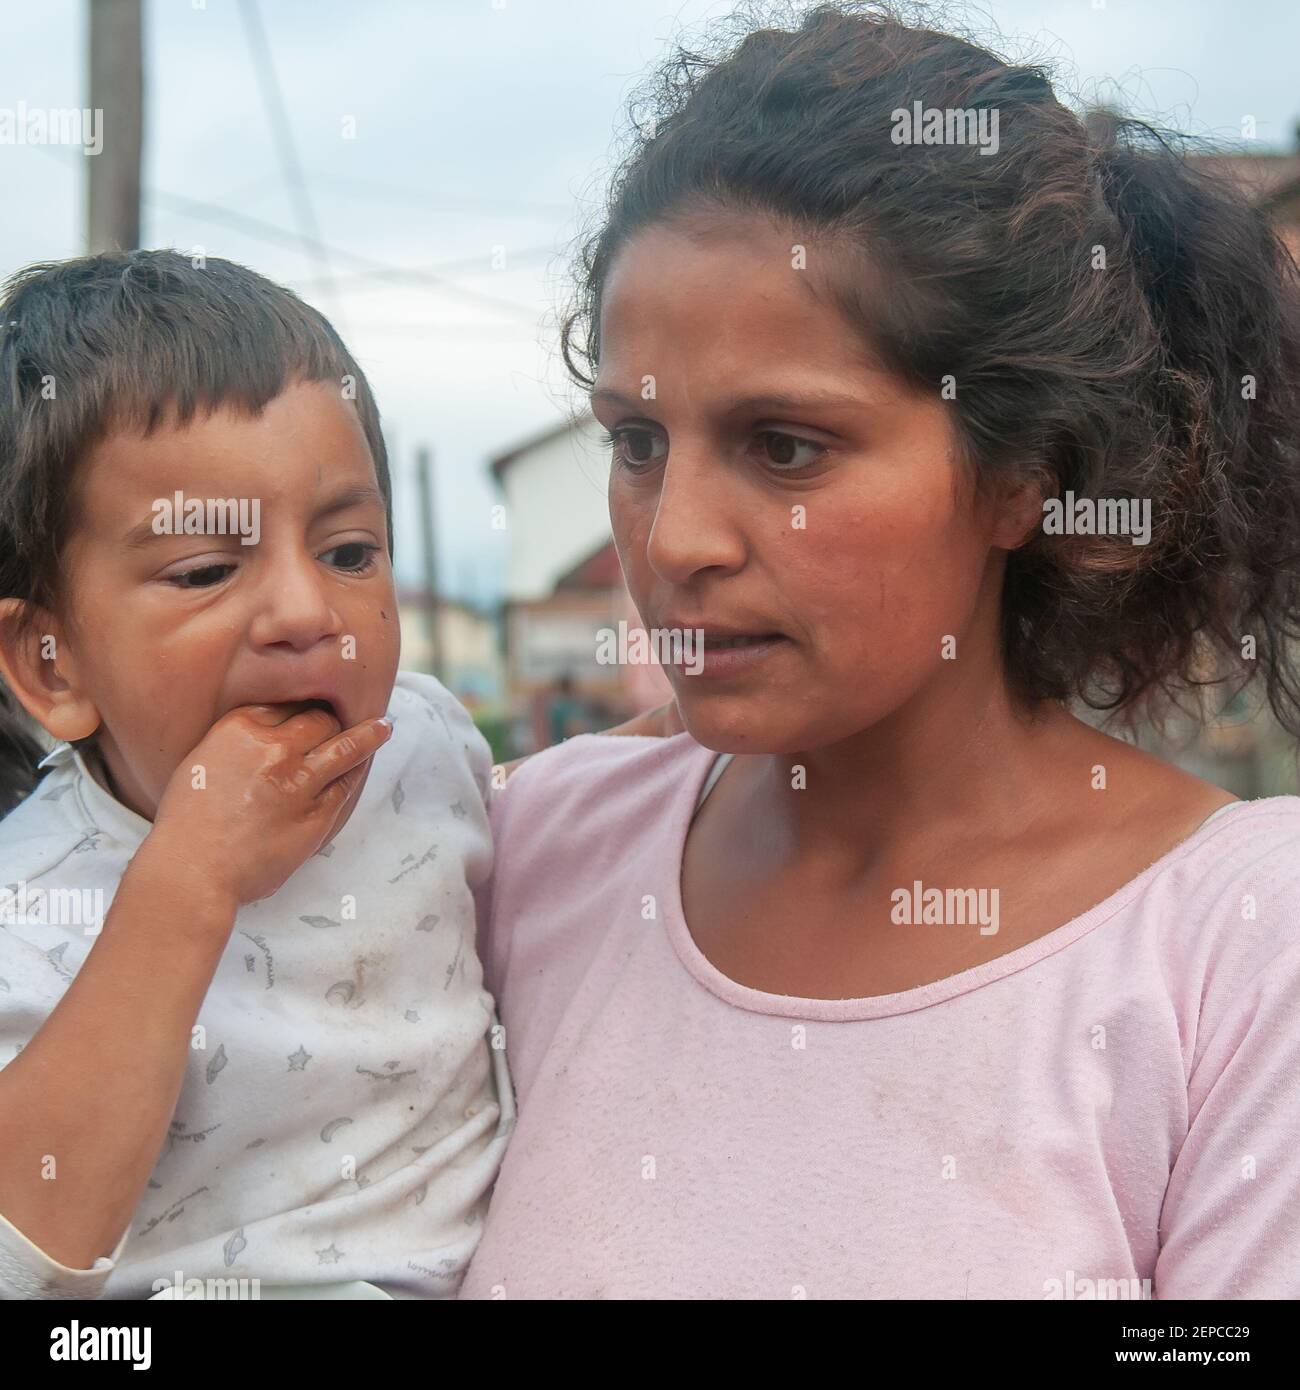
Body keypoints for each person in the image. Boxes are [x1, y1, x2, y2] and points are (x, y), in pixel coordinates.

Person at [461, 3, 1300, 1299]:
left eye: (786, 445)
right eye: (636, 440)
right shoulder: (539, 853)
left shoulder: (1234, 948)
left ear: (1023, 472)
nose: (675, 536)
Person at [0, 251, 512, 1299]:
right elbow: (22, 1252)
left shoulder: (423, 743)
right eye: (205, 570)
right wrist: (184, 886)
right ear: (52, 666)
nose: (304, 612)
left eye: (350, 551)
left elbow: (574, 816)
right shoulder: (29, 907)